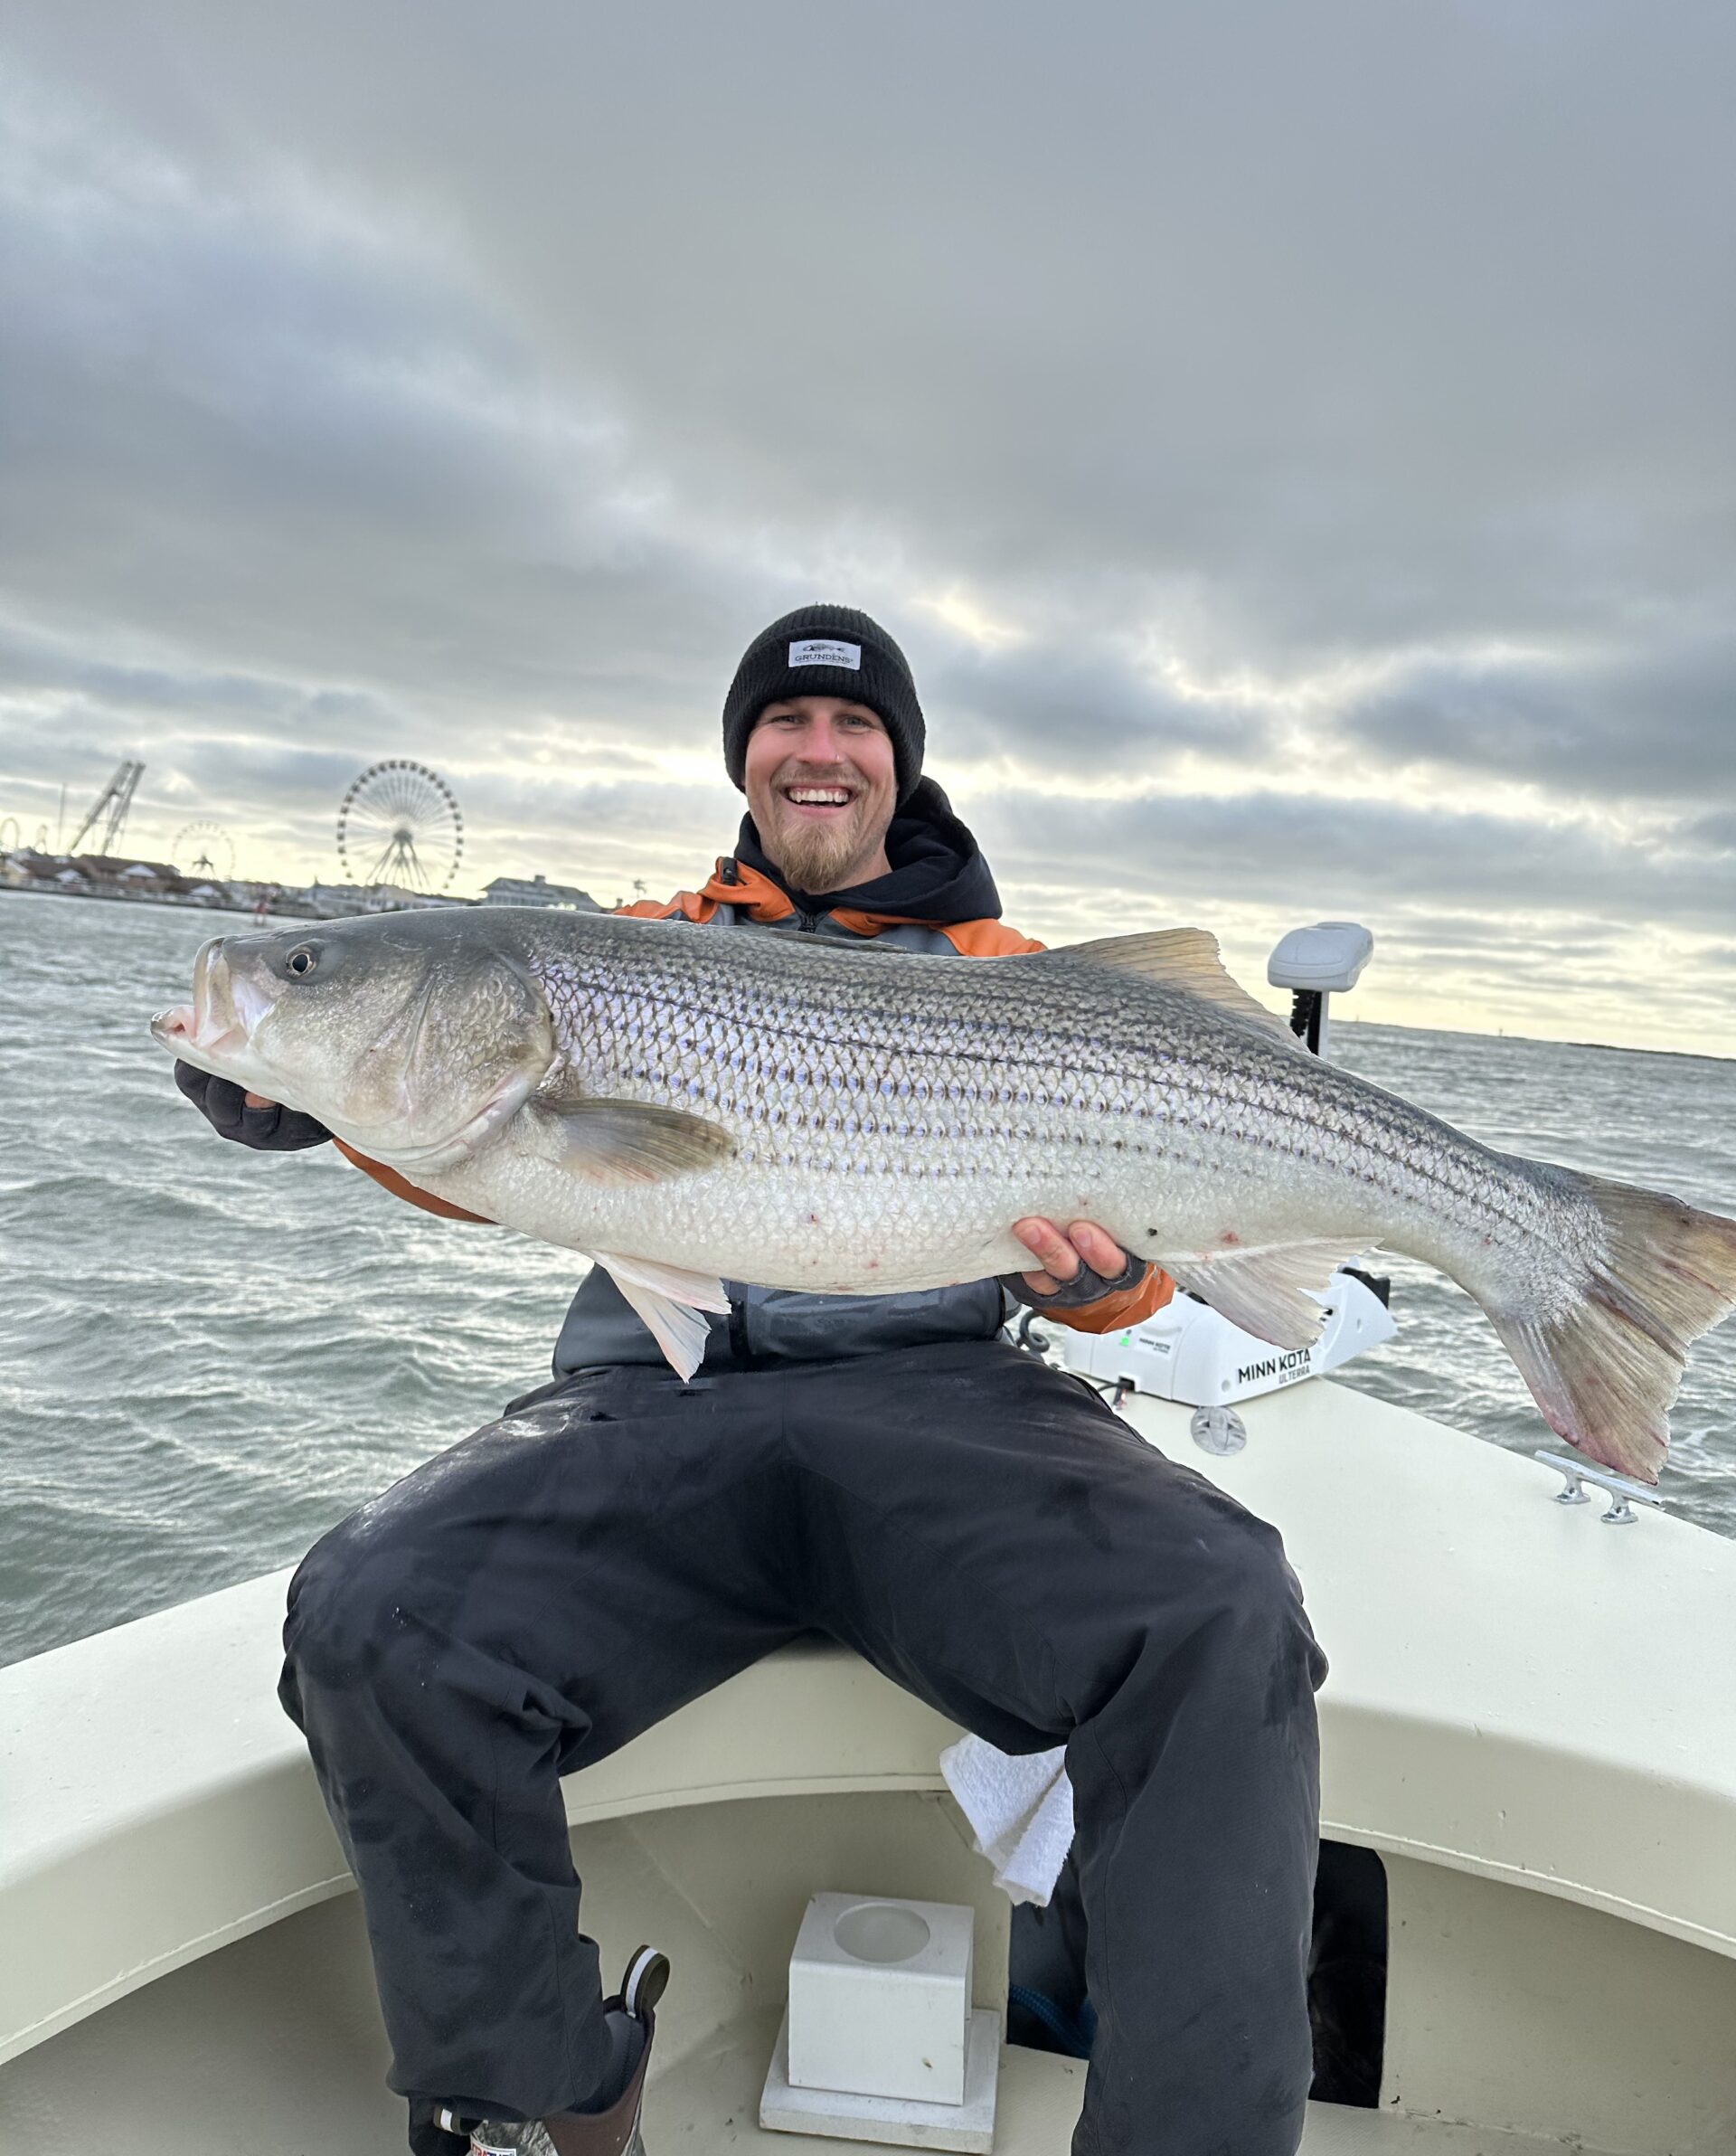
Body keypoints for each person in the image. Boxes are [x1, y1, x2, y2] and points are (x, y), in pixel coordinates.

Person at [176, 606, 1326, 2156]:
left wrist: (1117, 1280)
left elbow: (1138, 1283)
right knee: (374, 1618)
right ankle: (550, 2108)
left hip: (942, 1411)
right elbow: (486, 1146)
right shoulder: (634, 947)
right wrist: (313, 1098)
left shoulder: (1010, 975)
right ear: (746, 758)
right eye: (786, 722)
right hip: (656, 1409)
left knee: (1223, 1606)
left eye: (856, 727)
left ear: (900, 763)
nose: (821, 751)